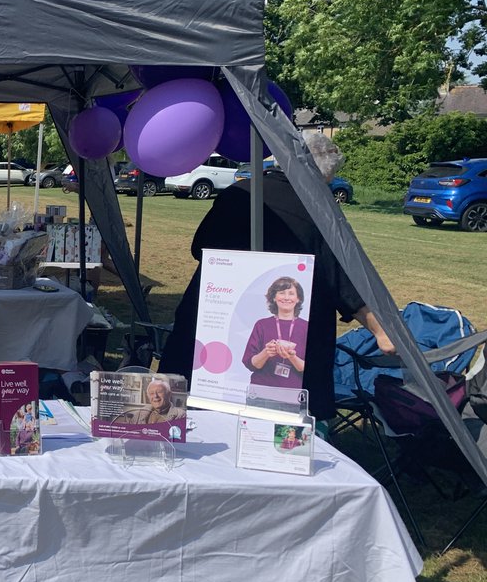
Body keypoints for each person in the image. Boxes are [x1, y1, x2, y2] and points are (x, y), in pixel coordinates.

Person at [159, 132, 394, 422]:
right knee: (273, 424)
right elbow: (343, 278)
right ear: (321, 173)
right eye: (330, 178)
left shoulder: (238, 192)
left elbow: (199, 248)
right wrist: (380, 330)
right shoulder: (318, 208)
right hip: (269, 337)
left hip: (212, 321)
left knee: (194, 409)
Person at [244, 277, 308, 389]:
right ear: (274, 298)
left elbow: (312, 369)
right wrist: (266, 352)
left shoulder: (307, 327)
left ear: (298, 298)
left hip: (294, 392)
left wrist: (292, 357)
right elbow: (251, 364)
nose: (286, 297)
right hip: (261, 391)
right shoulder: (262, 325)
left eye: (291, 293)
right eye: (281, 293)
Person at [113, 377, 186, 424]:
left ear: (169, 394)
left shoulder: (181, 415)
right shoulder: (140, 413)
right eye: (151, 393)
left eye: (159, 392)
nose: (155, 396)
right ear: (148, 397)